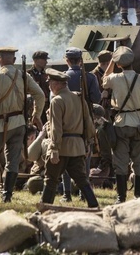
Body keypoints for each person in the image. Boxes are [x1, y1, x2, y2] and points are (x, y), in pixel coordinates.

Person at [0, 47, 46, 202]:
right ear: (14, 61)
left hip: (0, 124)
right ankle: (7, 195)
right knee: (13, 160)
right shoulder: (22, 75)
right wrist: (36, 115)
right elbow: (40, 95)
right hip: (19, 124)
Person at [103, 46, 140, 203]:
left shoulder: (114, 78)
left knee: (120, 162)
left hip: (121, 123)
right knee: (139, 162)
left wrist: (113, 58)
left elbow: (104, 79)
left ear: (118, 64)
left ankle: (121, 197)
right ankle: (138, 196)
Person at [40, 69, 98, 207]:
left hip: (61, 147)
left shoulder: (57, 101)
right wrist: (89, 142)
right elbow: (88, 123)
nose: (49, 86)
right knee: (82, 180)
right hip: (77, 147)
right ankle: (94, 205)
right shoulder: (78, 98)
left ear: (56, 84)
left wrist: (54, 149)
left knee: (51, 179)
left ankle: (44, 208)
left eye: (50, 83)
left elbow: (56, 128)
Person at [27, 51, 51, 124]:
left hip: (46, 107)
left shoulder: (47, 74)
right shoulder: (28, 75)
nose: (46, 62)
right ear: (36, 60)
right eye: (44, 59)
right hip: (33, 108)